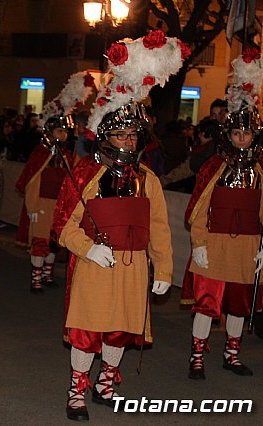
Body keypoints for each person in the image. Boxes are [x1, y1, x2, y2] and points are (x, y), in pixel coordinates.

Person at [52, 31, 184, 421]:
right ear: (105, 135)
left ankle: (108, 381)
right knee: (88, 331)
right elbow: (64, 225)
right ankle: (77, 390)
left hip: (132, 267)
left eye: (131, 133)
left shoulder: (149, 178)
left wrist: (162, 268)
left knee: (121, 330)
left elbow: (159, 227)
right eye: (119, 133)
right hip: (95, 265)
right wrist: (87, 248)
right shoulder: (86, 174)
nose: (126, 139)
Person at [183, 49, 263, 380]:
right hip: (213, 245)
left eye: (247, 134)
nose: (242, 139)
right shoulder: (214, 167)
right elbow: (199, 208)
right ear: (228, 135)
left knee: (238, 304)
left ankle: (232, 354)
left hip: (246, 248)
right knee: (207, 303)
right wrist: (199, 242)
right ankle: (197, 356)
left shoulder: (260, 170)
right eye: (237, 133)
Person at [16, 71, 94, 292]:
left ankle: (47, 276)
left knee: (53, 242)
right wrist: (32, 206)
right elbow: (32, 180)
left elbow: (75, 177)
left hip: (58, 206)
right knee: (40, 243)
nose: (64, 135)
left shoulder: (67, 155)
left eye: (66, 131)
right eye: (60, 131)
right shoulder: (42, 153)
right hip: (41, 204)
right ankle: (36, 279)